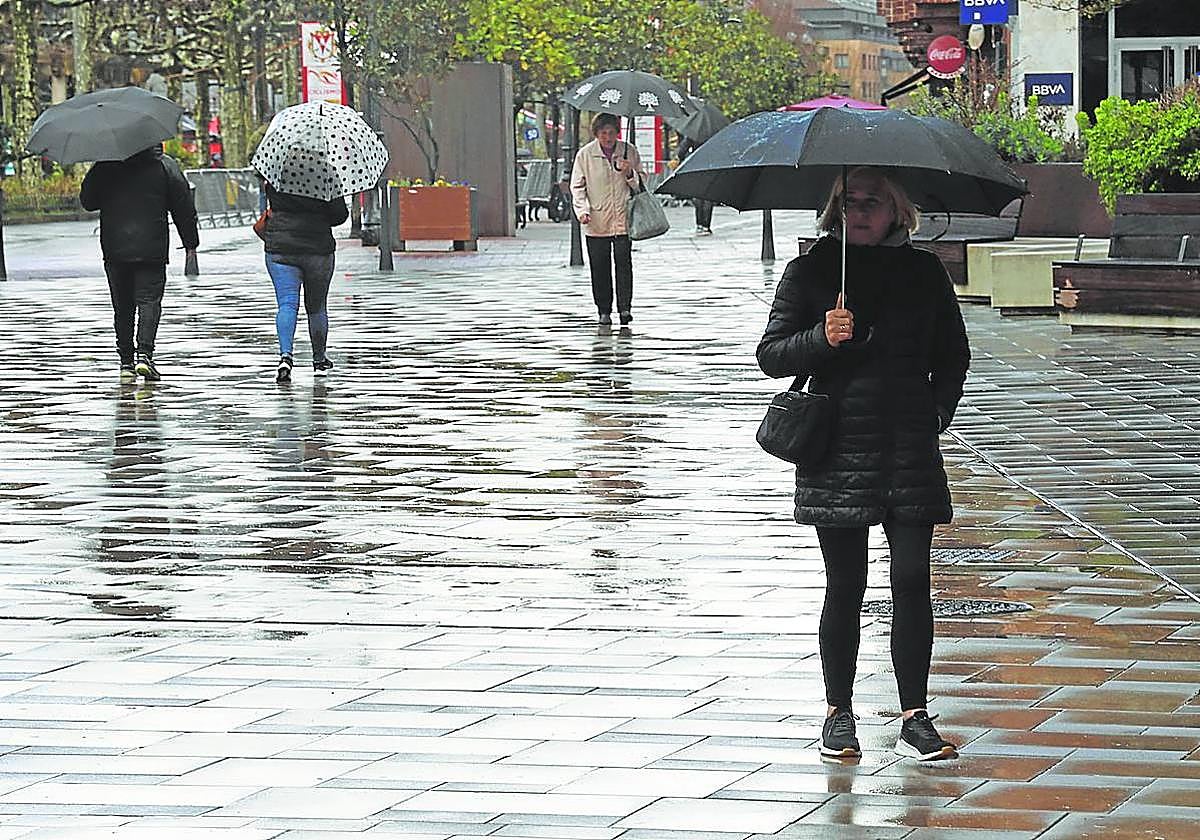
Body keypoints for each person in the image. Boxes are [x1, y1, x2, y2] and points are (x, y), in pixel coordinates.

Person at [756, 167, 970, 762]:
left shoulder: (923, 273)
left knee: (910, 583)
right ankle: (838, 711)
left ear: (897, 208)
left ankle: (915, 714)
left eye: (871, 203)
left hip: (908, 446)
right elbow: (771, 354)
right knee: (845, 585)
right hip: (838, 447)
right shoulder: (813, 271)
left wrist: (935, 415)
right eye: (849, 202)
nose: (859, 212)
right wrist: (822, 338)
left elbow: (954, 354)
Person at [80, 143, 199, 382]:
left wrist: (99, 170)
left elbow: (88, 201)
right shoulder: (165, 166)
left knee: (122, 306)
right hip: (151, 246)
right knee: (149, 301)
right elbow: (183, 207)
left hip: (115, 247)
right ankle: (145, 355)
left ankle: (126, 361)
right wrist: (190, 243)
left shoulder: (106, 165)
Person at [259, 178, 349, 383]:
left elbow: (269, 203)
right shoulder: (326, 174)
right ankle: (318, 360)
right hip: (318, 249)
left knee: (287, 304)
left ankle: (285, 357)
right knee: (317, 307)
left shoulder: (277, 173)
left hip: (281, 248)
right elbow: (340, 215)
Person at [570, 113, 644, 326]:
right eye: (603, 133)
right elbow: (578, 187)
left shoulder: (629, 151)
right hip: (596, 219)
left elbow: (641, 183)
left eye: (612, 132)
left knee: (623, 265)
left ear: (617, 132)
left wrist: (629, 173)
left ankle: (625, 308)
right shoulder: (585, 155)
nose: (608, 137)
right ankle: (604, 310)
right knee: (600, 267)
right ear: (596, 134)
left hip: (623, 219)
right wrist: (582, 210)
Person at [675, 134, 713, 235]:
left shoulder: (694, 133)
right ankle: (706, 225)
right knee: (709, 197)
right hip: (711, 166)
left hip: (696, 166)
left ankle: (699, 224)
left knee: (698, 196)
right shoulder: (715, 132)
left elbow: (681, 152)